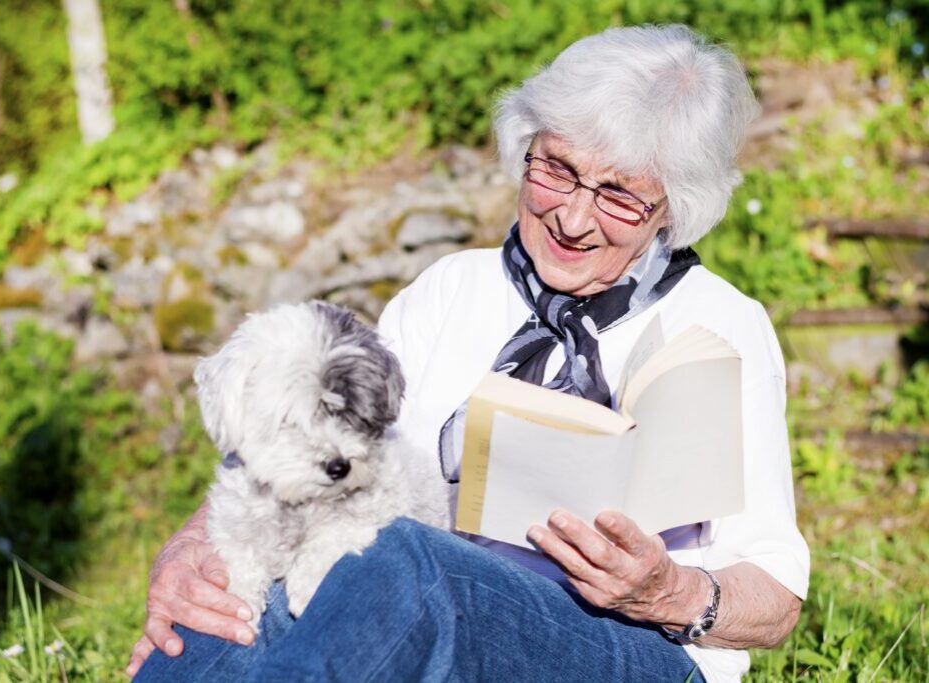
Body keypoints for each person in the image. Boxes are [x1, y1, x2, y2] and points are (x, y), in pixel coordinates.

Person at [127, 24, 809, 682]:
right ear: (524, 147)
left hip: (629, 652)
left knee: (404, 562)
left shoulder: (722, 326)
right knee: (258, 593)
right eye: (557, 170)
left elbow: (776, 599)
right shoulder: (450, 288)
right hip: (418, 610)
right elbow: (319, 446)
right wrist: (194, 545)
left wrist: (666, 591)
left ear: (672, 208)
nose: (572, 218)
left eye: (619, 196)